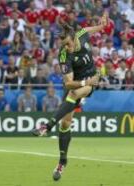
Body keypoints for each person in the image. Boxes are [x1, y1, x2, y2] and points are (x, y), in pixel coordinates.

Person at [32, 12, 109, 181]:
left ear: (74, 37)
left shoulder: (81, 34)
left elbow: (99, 27)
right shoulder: (64, 55)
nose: (66, 47)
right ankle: (62, 161)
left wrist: (103, 21)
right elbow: (68, 83)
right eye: (63, 45)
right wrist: (84, 82)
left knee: (75, 94)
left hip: (92, 79)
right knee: (66, 123)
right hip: (76, 82)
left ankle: (47, 126)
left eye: (67, 44)